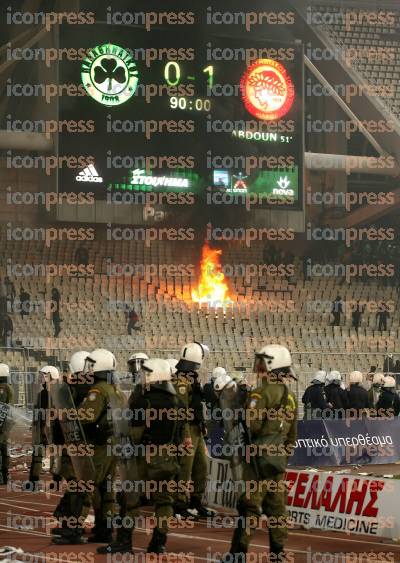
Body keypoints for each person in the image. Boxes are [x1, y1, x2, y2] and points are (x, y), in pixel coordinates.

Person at [98, 358, 185, 554]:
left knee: (130, 500)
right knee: (164, 502)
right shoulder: (177, 402)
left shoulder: (142, 401)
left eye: (146, 373)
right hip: (167, 458)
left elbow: (133, 433)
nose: (143, 377)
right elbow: (180, 435)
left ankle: (124, 542)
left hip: (143, 458)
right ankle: (158, 542)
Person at [223, 344, 297, 561]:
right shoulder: (290, 395)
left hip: (256, 461)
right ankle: (278, 553)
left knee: (250, 509)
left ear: (272, 366)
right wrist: (281, 457)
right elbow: (292, 435)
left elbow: (251, 426)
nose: (259, 367)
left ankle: (238, 556)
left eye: (263, 363)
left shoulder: (260, 392)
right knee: (277, 510)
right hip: (277, 462)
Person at [77, 349, 125, 544]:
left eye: (91, 365)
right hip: (114, 444)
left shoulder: (98, 391)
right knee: (107, 488)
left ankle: (73, 526)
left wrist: (71, 413)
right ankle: (105, 528)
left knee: (87, 484)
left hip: (100, 446)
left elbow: (87, 417)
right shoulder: (117, 390)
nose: (88, 369)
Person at [173, 342, 215, 519]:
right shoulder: (181, 381)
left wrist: (202, 424)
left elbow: (196, 405)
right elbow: (181, 411)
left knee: (201, 467)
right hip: (187, 429)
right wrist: (187, 436)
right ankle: (179, 504)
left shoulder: (190, 378)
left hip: (196, 428)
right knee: (185, 469)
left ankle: (196, 502)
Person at [0, 364, 14, 484]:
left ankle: (2, 475)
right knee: (5, 450)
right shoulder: (7, 387)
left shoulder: (3, 388)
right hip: (6, 423)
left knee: (3, 450)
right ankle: (5, 475)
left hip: (3, 422)